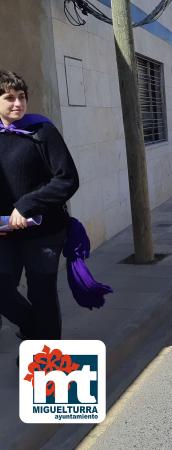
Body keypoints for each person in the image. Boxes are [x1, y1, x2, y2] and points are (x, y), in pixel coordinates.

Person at [0, 70, 79, 340]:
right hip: (4, 232)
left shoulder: (41, 130)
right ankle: (35, 332)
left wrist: (26, 205)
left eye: (22, 97)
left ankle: (48, 363)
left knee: (42, 294)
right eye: (9, 97)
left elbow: (67, 179)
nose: (18, 103)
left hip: (44, 231)